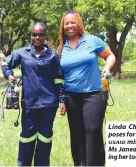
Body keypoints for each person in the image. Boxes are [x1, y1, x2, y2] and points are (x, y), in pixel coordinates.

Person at [1, 22, 66, 166]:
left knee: (45, 137)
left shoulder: (52, 56)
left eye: (40, 34)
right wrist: (9, 75)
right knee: (27, 137)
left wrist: (62, 100)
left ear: (45, 36)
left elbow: (59, 79)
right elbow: (5, 63)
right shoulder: (22, 53)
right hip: (29, 103)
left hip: (49, 104)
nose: (37, 37)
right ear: (31, 36)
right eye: (34, 34)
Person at [56, 10, 116, 166]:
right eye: (66, 23)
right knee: (76, 134)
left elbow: (110, 55)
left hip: (95, 94)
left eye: (73, 22)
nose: (70, 26)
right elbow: (59, 77)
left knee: (92, 130)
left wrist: (108, 67)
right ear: (63, 26)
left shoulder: (92, 41)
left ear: (79, 24)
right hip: (71, 96)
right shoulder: (61, 49)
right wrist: (62, 99)